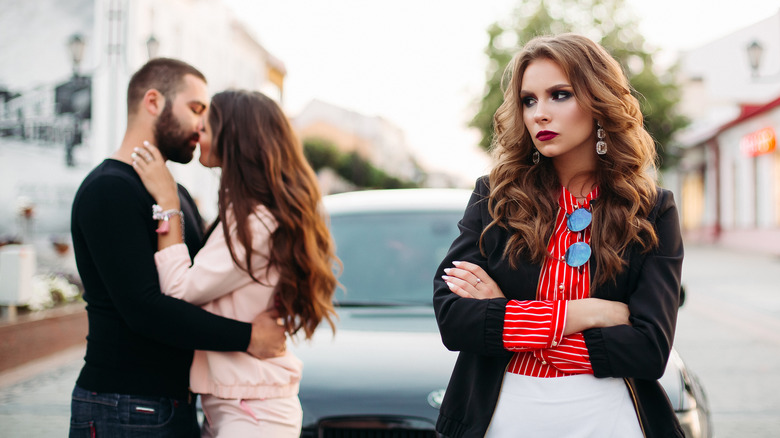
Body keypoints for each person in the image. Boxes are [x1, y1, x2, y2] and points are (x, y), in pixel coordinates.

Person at [433, 34, 684, 438]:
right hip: (500, 418)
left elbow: (649, 349)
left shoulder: (651, 209)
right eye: (529, 100)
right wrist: (586, 313)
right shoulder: (494, 197)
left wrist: (505, 314)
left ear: (598, 100)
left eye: (559, 95)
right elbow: (454, 319)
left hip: (609, 419)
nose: (539, 114)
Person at [69, 59, 288, 438]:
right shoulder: (109, 190)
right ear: (153, 102)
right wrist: (250, 337)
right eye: (196, 109)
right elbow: (145, 309)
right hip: (123, 402)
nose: (202, 126)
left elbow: (202, 285)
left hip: (173, 402)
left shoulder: (176, 195)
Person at [130, 89, 339, 437]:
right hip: (240, 405)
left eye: (207, 128)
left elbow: (178, 290)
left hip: (253, 412)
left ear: (234, 142)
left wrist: (167, 202)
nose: (197, 133)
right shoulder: (248, 214)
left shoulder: (257, 222)